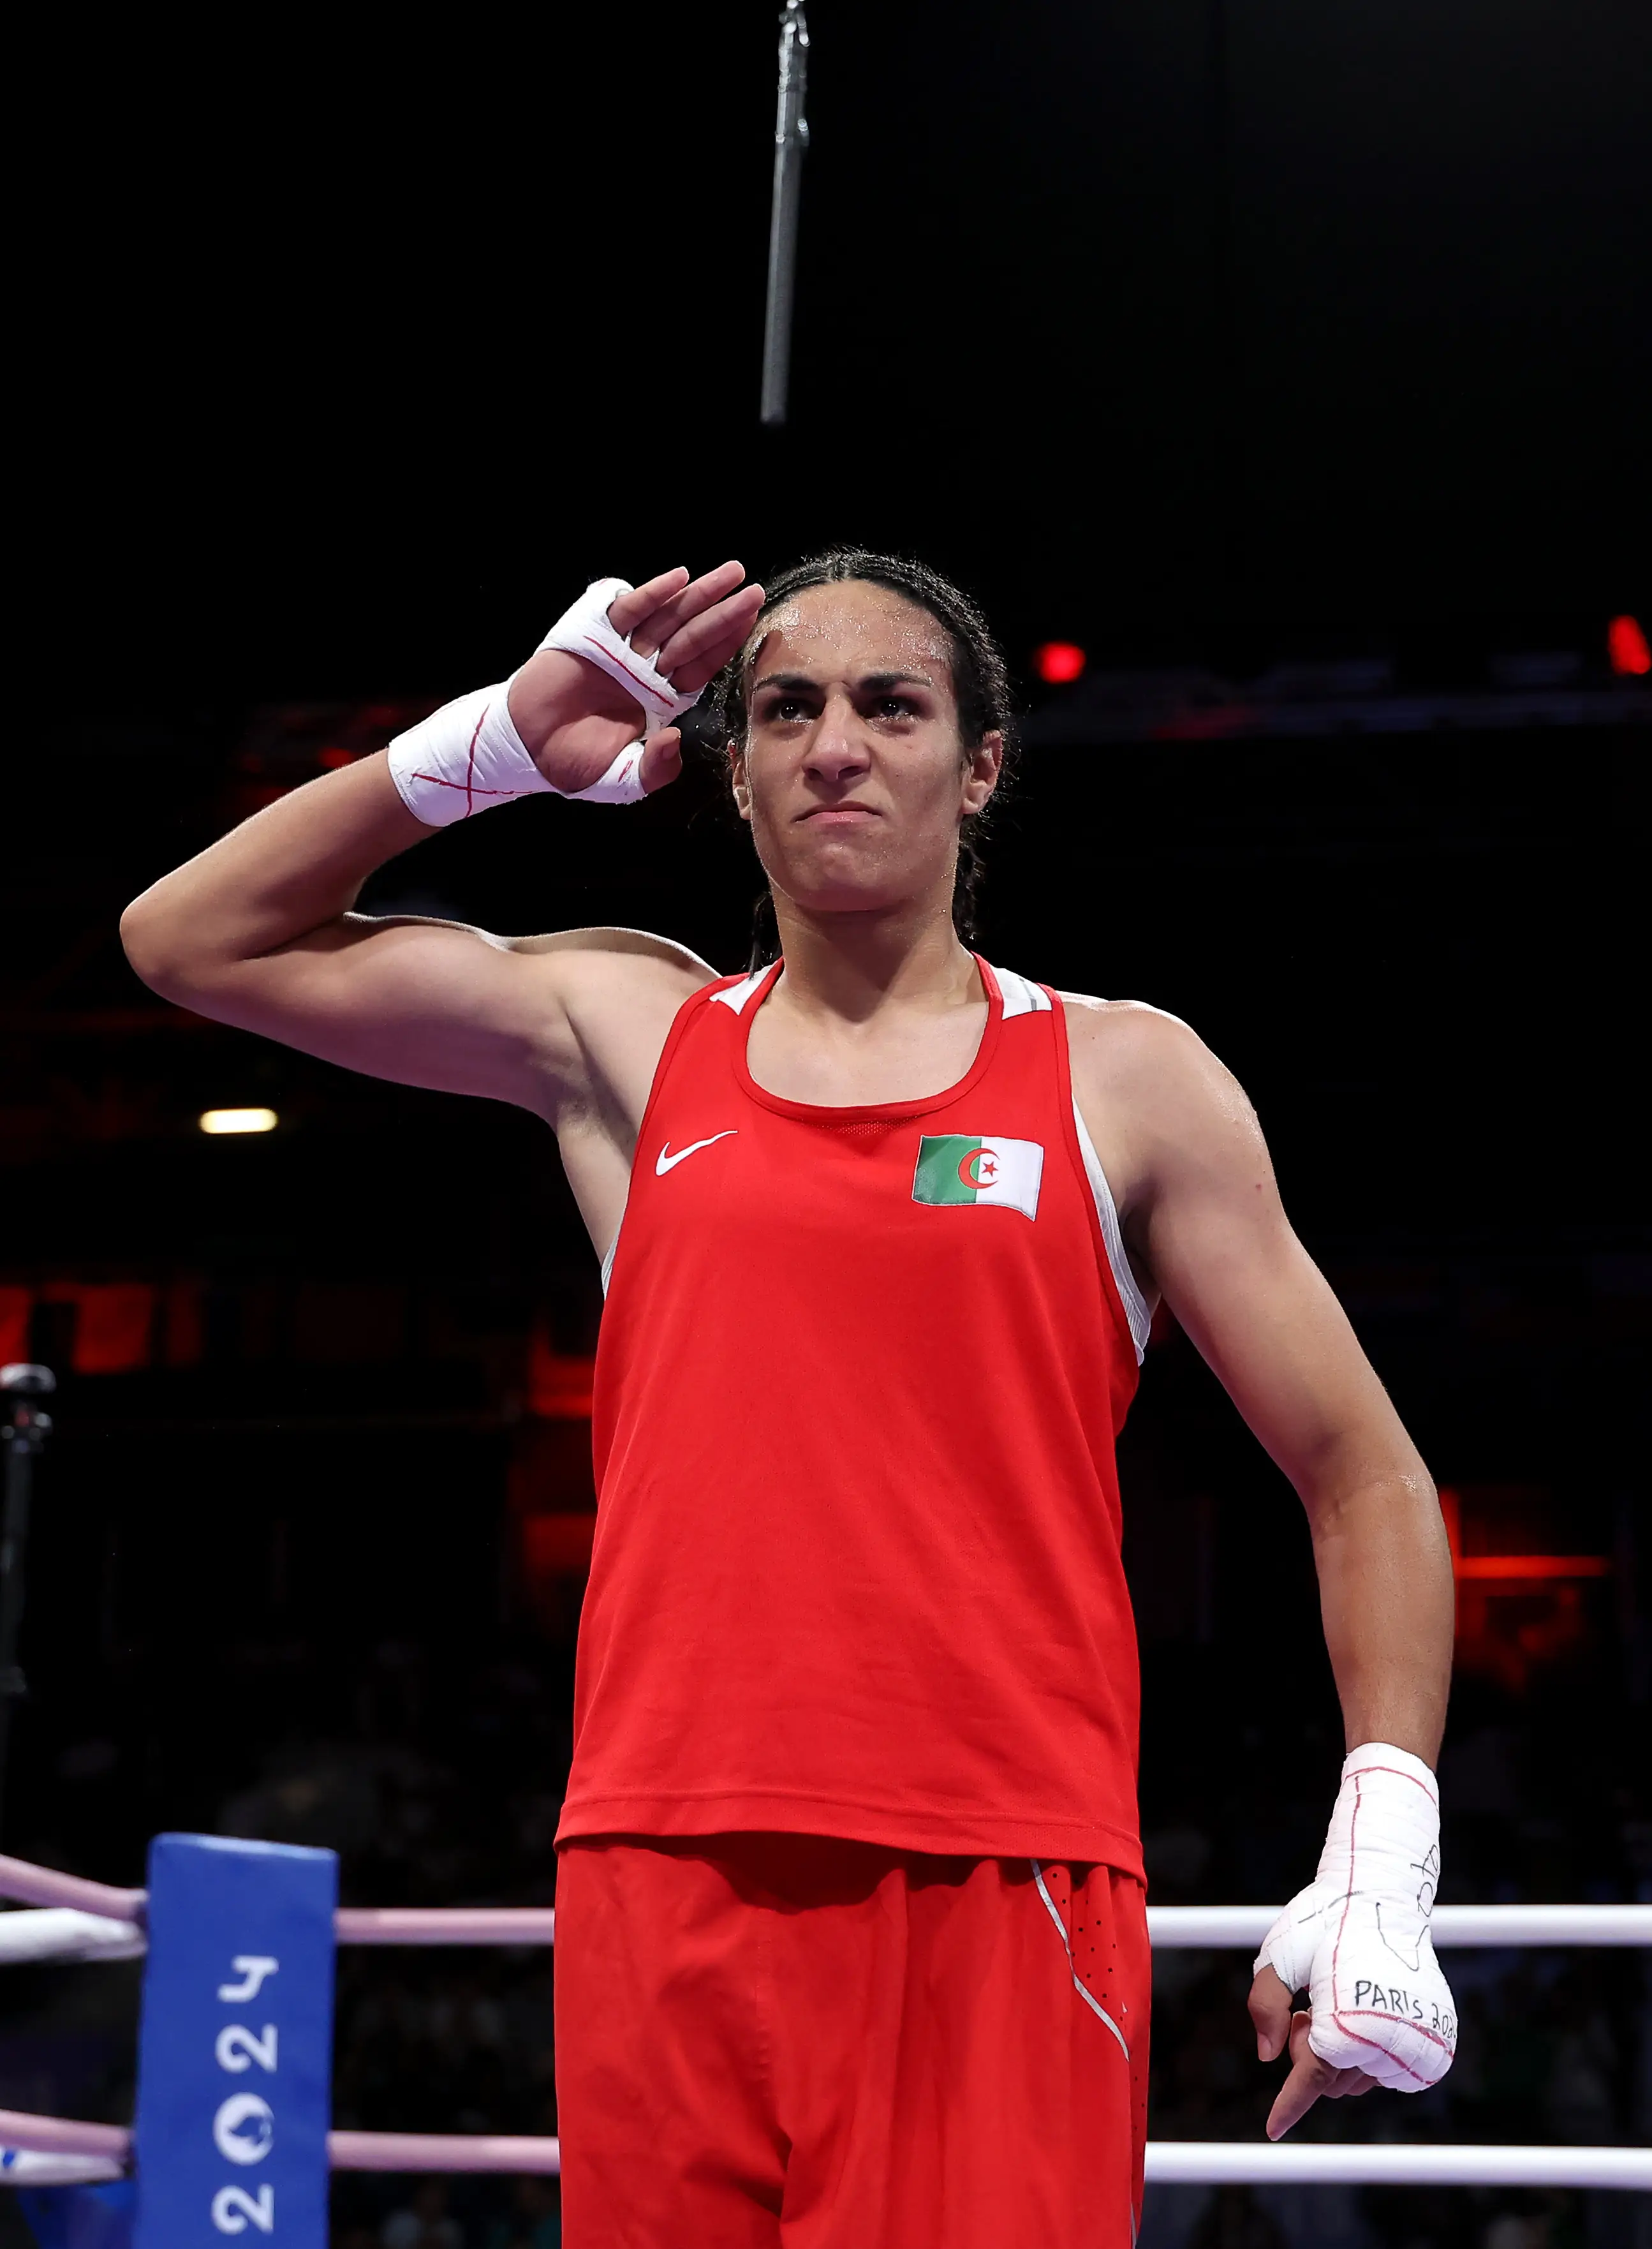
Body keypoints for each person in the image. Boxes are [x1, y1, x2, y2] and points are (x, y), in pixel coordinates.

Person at [121, 552, 1459, 2247]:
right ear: (734, 767)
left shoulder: (1124, 1078)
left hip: (1001, 1873)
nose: (835, 744)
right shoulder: (627, 1032)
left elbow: (1365, 1475)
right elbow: (183, 940)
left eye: (889, 703)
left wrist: (1382, 1857)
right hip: (659, 1861)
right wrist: (492, 751)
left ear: (977, 765)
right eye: (784, 708)